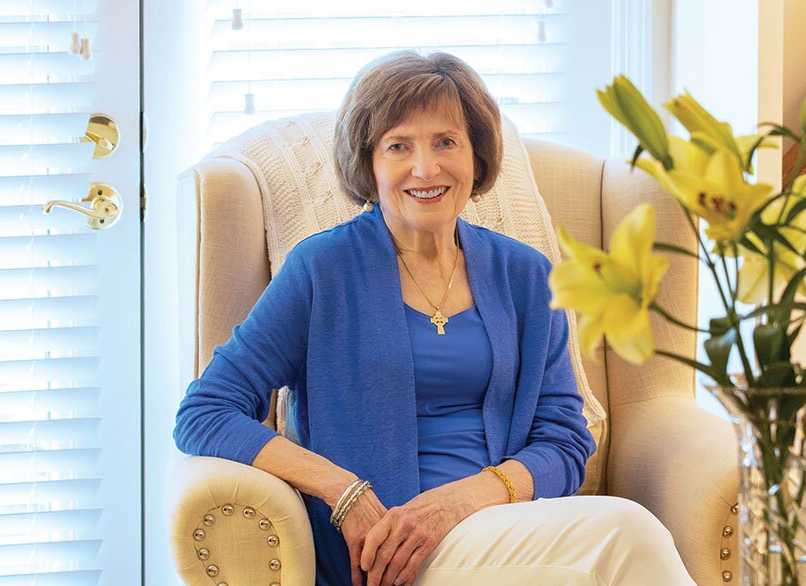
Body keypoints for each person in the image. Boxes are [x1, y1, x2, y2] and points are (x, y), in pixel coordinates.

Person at [174, 51, 695, 586]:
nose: (426, 168)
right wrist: (341, 489)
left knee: (620, 536)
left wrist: (463, 500)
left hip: (507, 529)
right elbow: (204, 412)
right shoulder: (321, 270)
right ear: (369, 163)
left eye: (446, 142)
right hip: (388, 554)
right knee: (626, 531)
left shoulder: (526, 275)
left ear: (476, 155)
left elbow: (564, 440)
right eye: (399, 146)